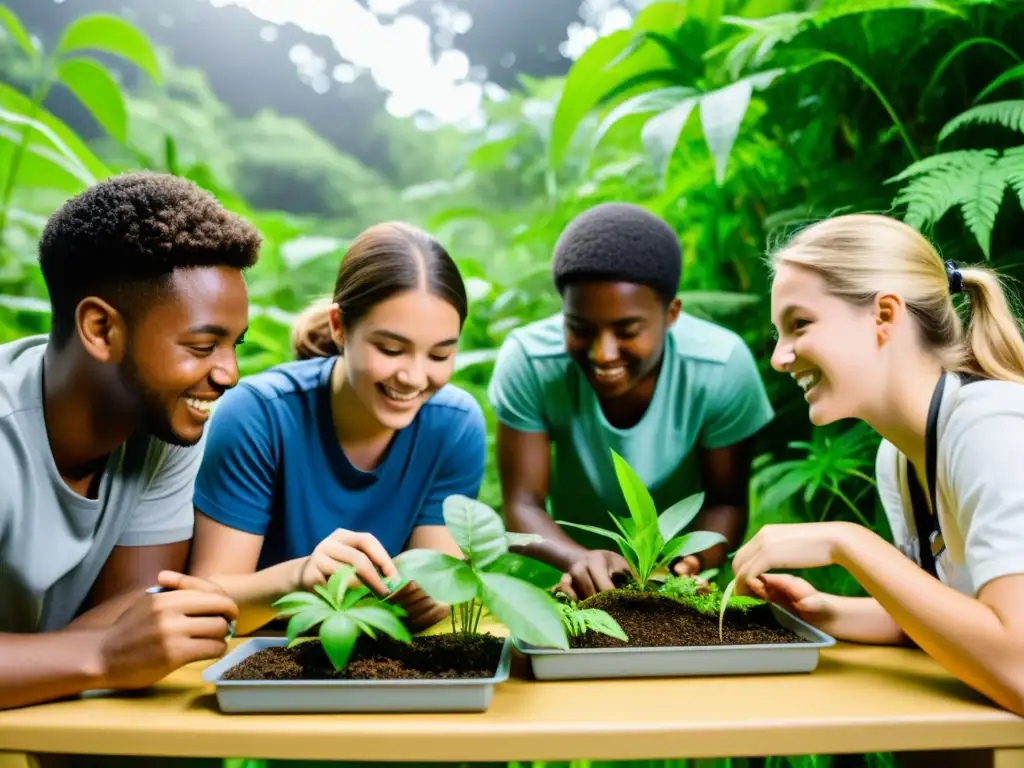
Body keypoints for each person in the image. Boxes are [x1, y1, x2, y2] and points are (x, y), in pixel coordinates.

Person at [731, 213, 1024, 715]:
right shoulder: (901, 458)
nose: (780, 357)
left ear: (885, 315)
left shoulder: (990, 426)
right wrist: (825, 611)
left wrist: (848, 541)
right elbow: (950, 612)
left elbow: (1018, 670)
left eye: (799, 325)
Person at [0, 171, 262, 710]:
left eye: (234, 345)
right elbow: (115, 649)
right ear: (99, 328)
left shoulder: (162, 426)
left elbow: (133, 608)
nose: (229, 373)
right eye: (202, 344)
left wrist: (52, 664)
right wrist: (101, 660)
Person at [187, 221, 486, 634]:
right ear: (339, 327)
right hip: (262, 659)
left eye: (439, 355)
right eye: (391, 349)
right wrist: (300, 577)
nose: (415, 377)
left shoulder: (453, 426)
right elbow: (206, 599)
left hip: (384, 667)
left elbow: (433, 588)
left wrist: (429, 595)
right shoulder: (258, 416)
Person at [487, 202, 775, 599]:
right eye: (579, 328)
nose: (603, 353)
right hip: (564, 578)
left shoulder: (721, 366)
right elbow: (523, 504)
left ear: (671, 313)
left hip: (679, 585)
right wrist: (580, 561)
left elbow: (726, 502)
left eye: (628, 330)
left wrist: (683, 564)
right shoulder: (531, 363)